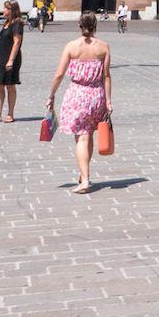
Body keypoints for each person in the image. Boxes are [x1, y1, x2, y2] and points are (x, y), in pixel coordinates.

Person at [46, 12, 113, 195]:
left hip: (77, 94)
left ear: (79, 25)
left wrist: (51, 95)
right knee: (88, 135)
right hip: (96, 95)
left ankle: (85, 180)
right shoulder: (104, 47)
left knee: (81, 138)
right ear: (95, 25)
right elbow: (106, 75)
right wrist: (108, 100)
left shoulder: (71, 47)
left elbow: (59, 74)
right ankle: (84, 172)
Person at [0, 0, 24, 123]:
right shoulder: (6, 23)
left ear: (11, 10)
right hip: (1, 58)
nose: (3, 10)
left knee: (10, 86)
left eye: (5, 8)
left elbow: (16, 43)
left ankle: (10, 113)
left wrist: (10, 60)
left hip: (11, 58)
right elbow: (3, 44)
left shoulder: (17, 24)